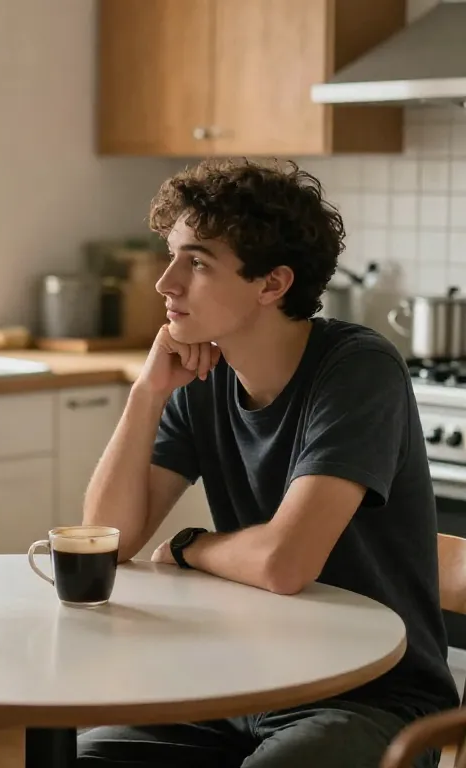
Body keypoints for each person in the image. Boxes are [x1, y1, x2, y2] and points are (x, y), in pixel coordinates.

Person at [78, 158, 459, 768]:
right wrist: (147, 394)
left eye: (196, 262)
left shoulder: (358, 370)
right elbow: (106, 541)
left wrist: (191, 546)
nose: (165, 282)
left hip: (372, 699)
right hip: (242, 684)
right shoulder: (202, 377)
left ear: (272, 284)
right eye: (173, 255)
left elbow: (284, 564)